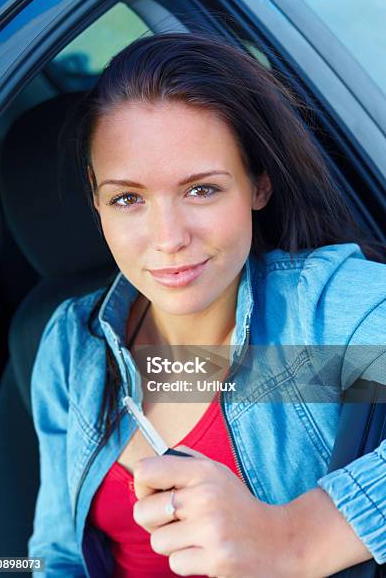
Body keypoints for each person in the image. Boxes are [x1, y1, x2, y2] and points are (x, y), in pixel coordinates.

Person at [28, 31, 386, 577]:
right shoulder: (72, 347)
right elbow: (51, 556)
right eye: (128, 198)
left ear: (258, 185)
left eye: (201, 190)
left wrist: (299, 537)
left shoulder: (322, 318)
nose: (168, 237)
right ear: (96, 200)